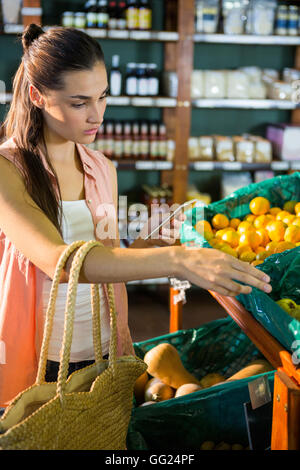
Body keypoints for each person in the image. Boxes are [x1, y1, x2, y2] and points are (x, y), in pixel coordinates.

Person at [0, 24, 272, 409]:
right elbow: (62, 263)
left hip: (102, 350)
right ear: (37, 95)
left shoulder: (101, 168)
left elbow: (106, 256)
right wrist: (178, 260)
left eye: (103, 97)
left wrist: (151, 241)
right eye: (79, 103)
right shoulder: (7, 170)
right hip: (39, 356)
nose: (97, 115)